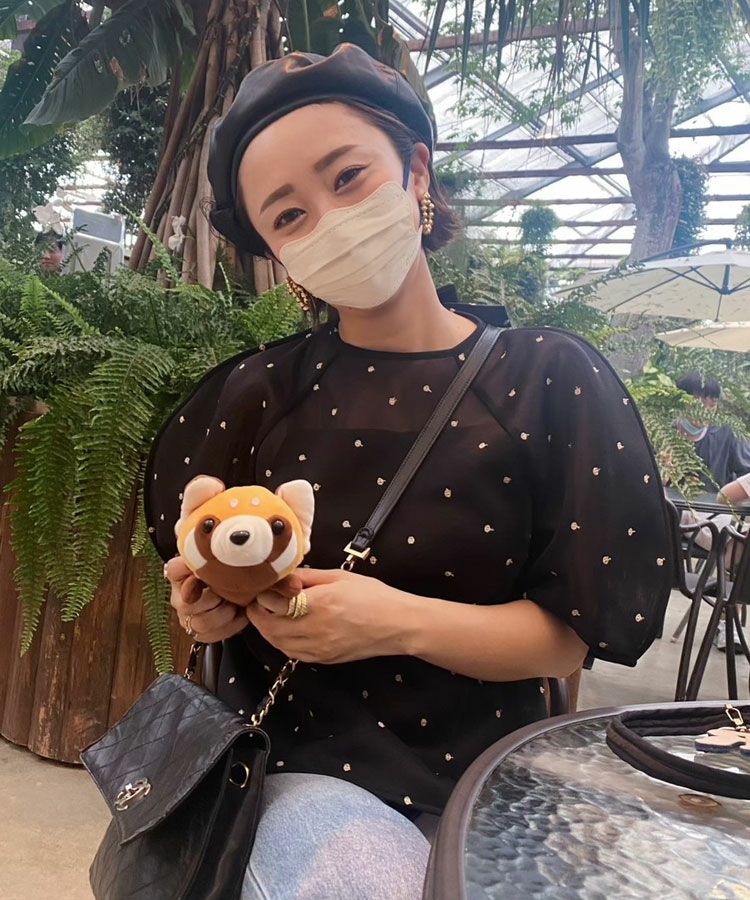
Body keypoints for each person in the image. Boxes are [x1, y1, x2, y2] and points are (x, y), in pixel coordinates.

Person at [146, 45, 673, 900]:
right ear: (277, 254)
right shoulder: (258, 395)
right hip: (289, 768)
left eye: (348, 177)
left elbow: (568, 637)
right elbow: (217, 574)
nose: (330, 220)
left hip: (487, 782)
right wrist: (205, 607)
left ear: (416, 170)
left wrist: (393, 621)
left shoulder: (548, 382)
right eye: (289, 215)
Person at [675, 369, 750, 488]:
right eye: (697, 403)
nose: (704, 411)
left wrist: (728, 494)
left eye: (711, 405)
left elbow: (747, 475)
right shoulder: (661, 431)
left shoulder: (729, 434)